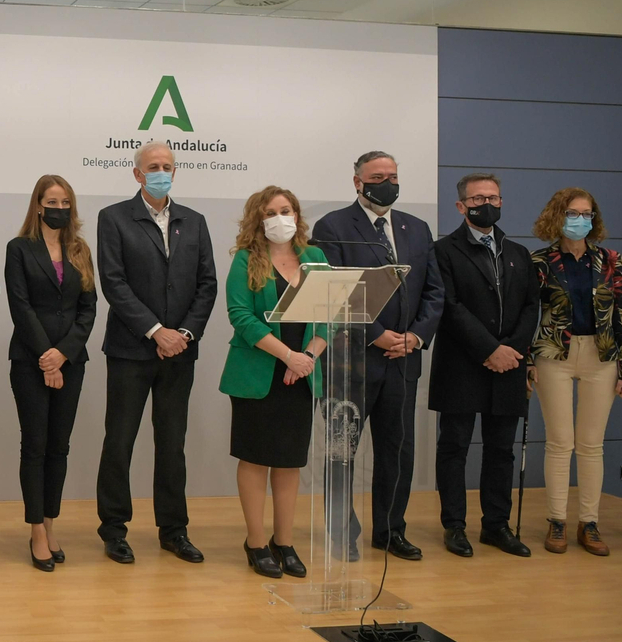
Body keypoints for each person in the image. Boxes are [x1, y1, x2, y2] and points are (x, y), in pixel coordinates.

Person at [311, 150, 444, 560]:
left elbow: (434, 291)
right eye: (377, 176)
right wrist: (378, 335)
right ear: (358, 182)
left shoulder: (417, 228)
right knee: (341, 452)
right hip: (349, 362)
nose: (387, 182)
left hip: (404, 361)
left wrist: (416, 337)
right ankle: (341, 535)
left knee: (397, 451)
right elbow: (331, 291)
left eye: (393, 175)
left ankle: (390, 530)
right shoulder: (332, 227)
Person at [95, 140, 218, 565]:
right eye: (152, 166)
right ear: (137, 173)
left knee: (172, 443)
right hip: (132, 350)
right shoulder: (113, 218)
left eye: (167, 165)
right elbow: (114, 283)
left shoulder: (195, 222)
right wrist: (155, 331)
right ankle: (113, 529)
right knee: (120, 441)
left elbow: (207, 285)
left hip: (180, 352)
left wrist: (182, 333)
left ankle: (174, 530)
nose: (160, 171)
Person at [429, 173, 541, 558]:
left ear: (502, 202)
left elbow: (531, 307)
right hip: (462, 362)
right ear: (462, 206)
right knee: (454, 446)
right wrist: (488, 349)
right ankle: (455, 526)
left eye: (493, 197)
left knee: (500, 450)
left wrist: (511, 350)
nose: (486, 204)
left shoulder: (518, 253)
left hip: (509, 364)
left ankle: (496, 525)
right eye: (478, 199)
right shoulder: (443, 251)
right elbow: (448, 307)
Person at [220, 186, 327, 579]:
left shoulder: (315, 258)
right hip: (258, 375)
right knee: (255, 459)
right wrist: (288, 356)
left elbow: (327, 317)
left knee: (289, 462)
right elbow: (241, 317)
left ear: (297, 215)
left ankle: (285, 542)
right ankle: (256, 542)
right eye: (271, 212)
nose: (281, 217)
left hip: (302, 375)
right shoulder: (246, 260)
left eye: (287, 210)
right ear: (258, 219)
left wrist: (308, 358)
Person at [530, 188, 622, 557]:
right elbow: (528, 315)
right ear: (558, 216)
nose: (581, 220)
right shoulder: (539, 262)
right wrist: (528, 362)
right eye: (573, 213)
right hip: (554, 354)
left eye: (587, 213)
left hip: (601, 356)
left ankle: (588, 523)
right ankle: (556, 521)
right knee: (560, 442)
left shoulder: (609, 260)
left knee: (591, 444)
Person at [4, 175, 98, 572]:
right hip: (30, 361)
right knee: (36, 445)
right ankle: (35, 530)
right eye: (52, 200)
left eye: (65, 201)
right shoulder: (19, 249)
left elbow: (88, 308)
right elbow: (20, 306)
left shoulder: (80, 249)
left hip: (71, 362)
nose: (59, 207)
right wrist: (46, 355)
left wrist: (64, 354)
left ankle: (51, 524)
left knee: (60, 446)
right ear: (39, 205)